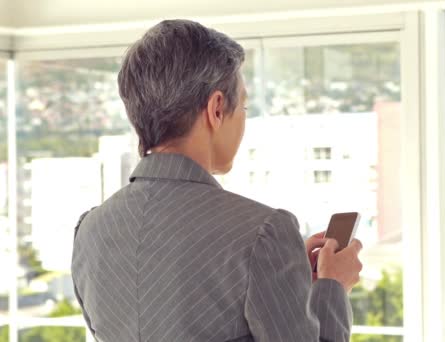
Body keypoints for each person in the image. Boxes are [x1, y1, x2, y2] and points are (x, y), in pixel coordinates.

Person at [71, 19, 363, 342]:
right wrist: (332, 288)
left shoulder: (89, 233)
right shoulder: (264, 232)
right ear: (217, 108)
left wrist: (285, 272)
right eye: (245, 107)